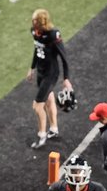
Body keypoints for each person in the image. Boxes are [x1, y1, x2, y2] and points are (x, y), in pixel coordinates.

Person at [25, 8, 72, 148]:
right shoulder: (34, 32)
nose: (32, 22)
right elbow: (37, 49)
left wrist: (66, 78)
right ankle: (53, 129)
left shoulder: (53, 34)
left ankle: (41, 135)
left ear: (41, 21)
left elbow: (64, 58)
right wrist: (32, 67)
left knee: (37, 106)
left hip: (51, 74)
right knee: (49, 101)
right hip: (40, 71)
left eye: (35, 20)